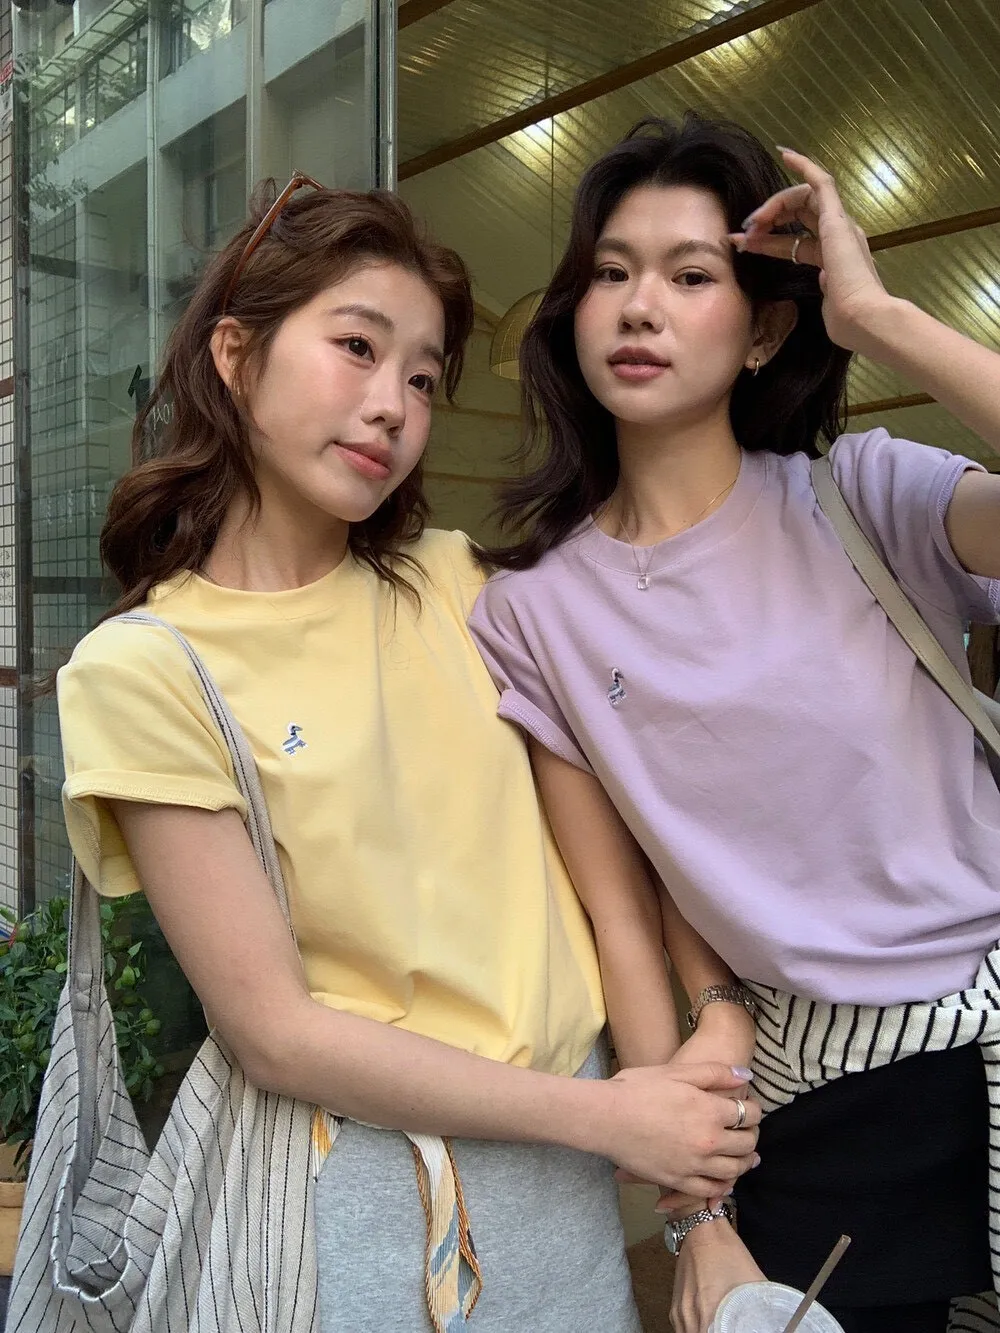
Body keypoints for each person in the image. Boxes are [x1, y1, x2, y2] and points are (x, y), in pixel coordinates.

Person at [54, 176, 762, 1333]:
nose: (391, 405)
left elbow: (629, 854)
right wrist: (611, 1120)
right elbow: (275, 1032)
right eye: (356, 347)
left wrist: (705, 1053)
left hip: (578, 1184)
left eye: (423, 378)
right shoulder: (147, 669)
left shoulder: (461, 588)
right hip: (365, 1213)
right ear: (235, 354)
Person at [469, 112, 1000, 1333]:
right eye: (612, 272)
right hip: (812, 1099)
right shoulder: (533, 612)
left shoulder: (864, 494)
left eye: (690, 275)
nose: (639, 306)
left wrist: (876, 316)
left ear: (764, 331)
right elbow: (620, 915)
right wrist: (695, 1216)